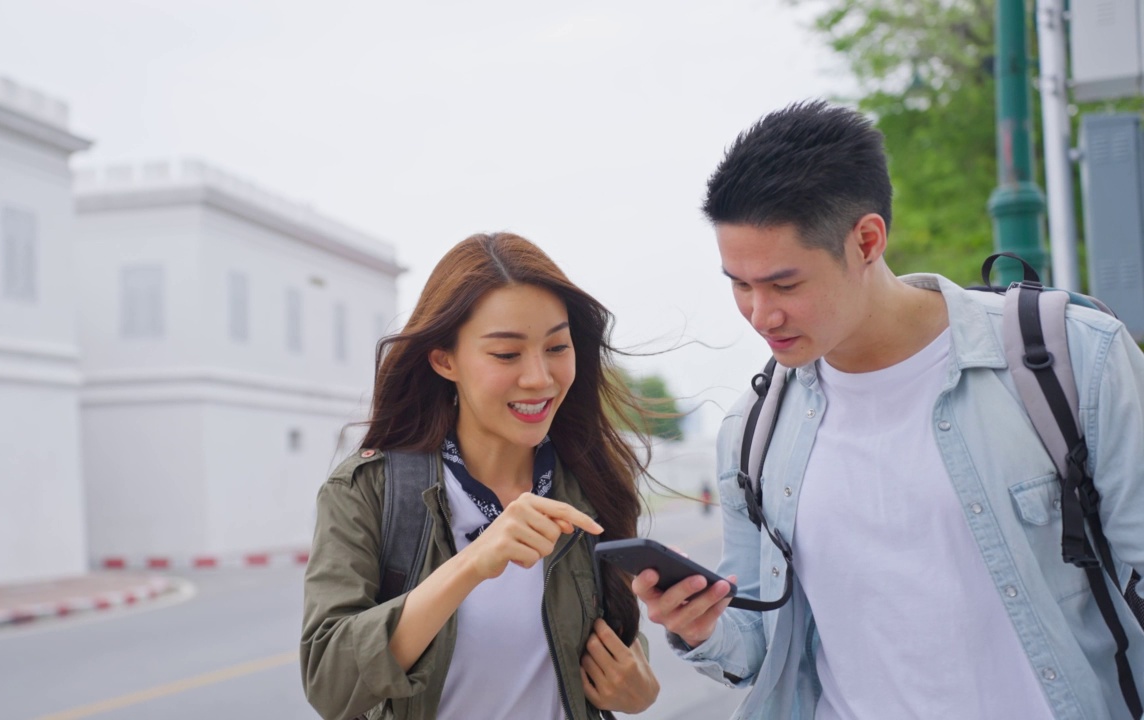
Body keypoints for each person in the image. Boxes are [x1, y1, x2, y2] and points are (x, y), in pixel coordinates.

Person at [633, 100, 1144, 719]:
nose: (760, 315)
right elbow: (760, 649)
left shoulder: (1069, 358)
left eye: (784, 284)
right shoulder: (753, 431)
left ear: (867, 241)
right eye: (740, 284)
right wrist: (697, 625)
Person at [301, 232, 660, 720]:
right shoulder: (369, 490)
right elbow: (329, 681)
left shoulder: (590, 483)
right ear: (444, 359)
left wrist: (638, 689)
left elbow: (615, 642)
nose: (539, 377)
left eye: (557, 347)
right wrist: (473, 563)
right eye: (507, 355)